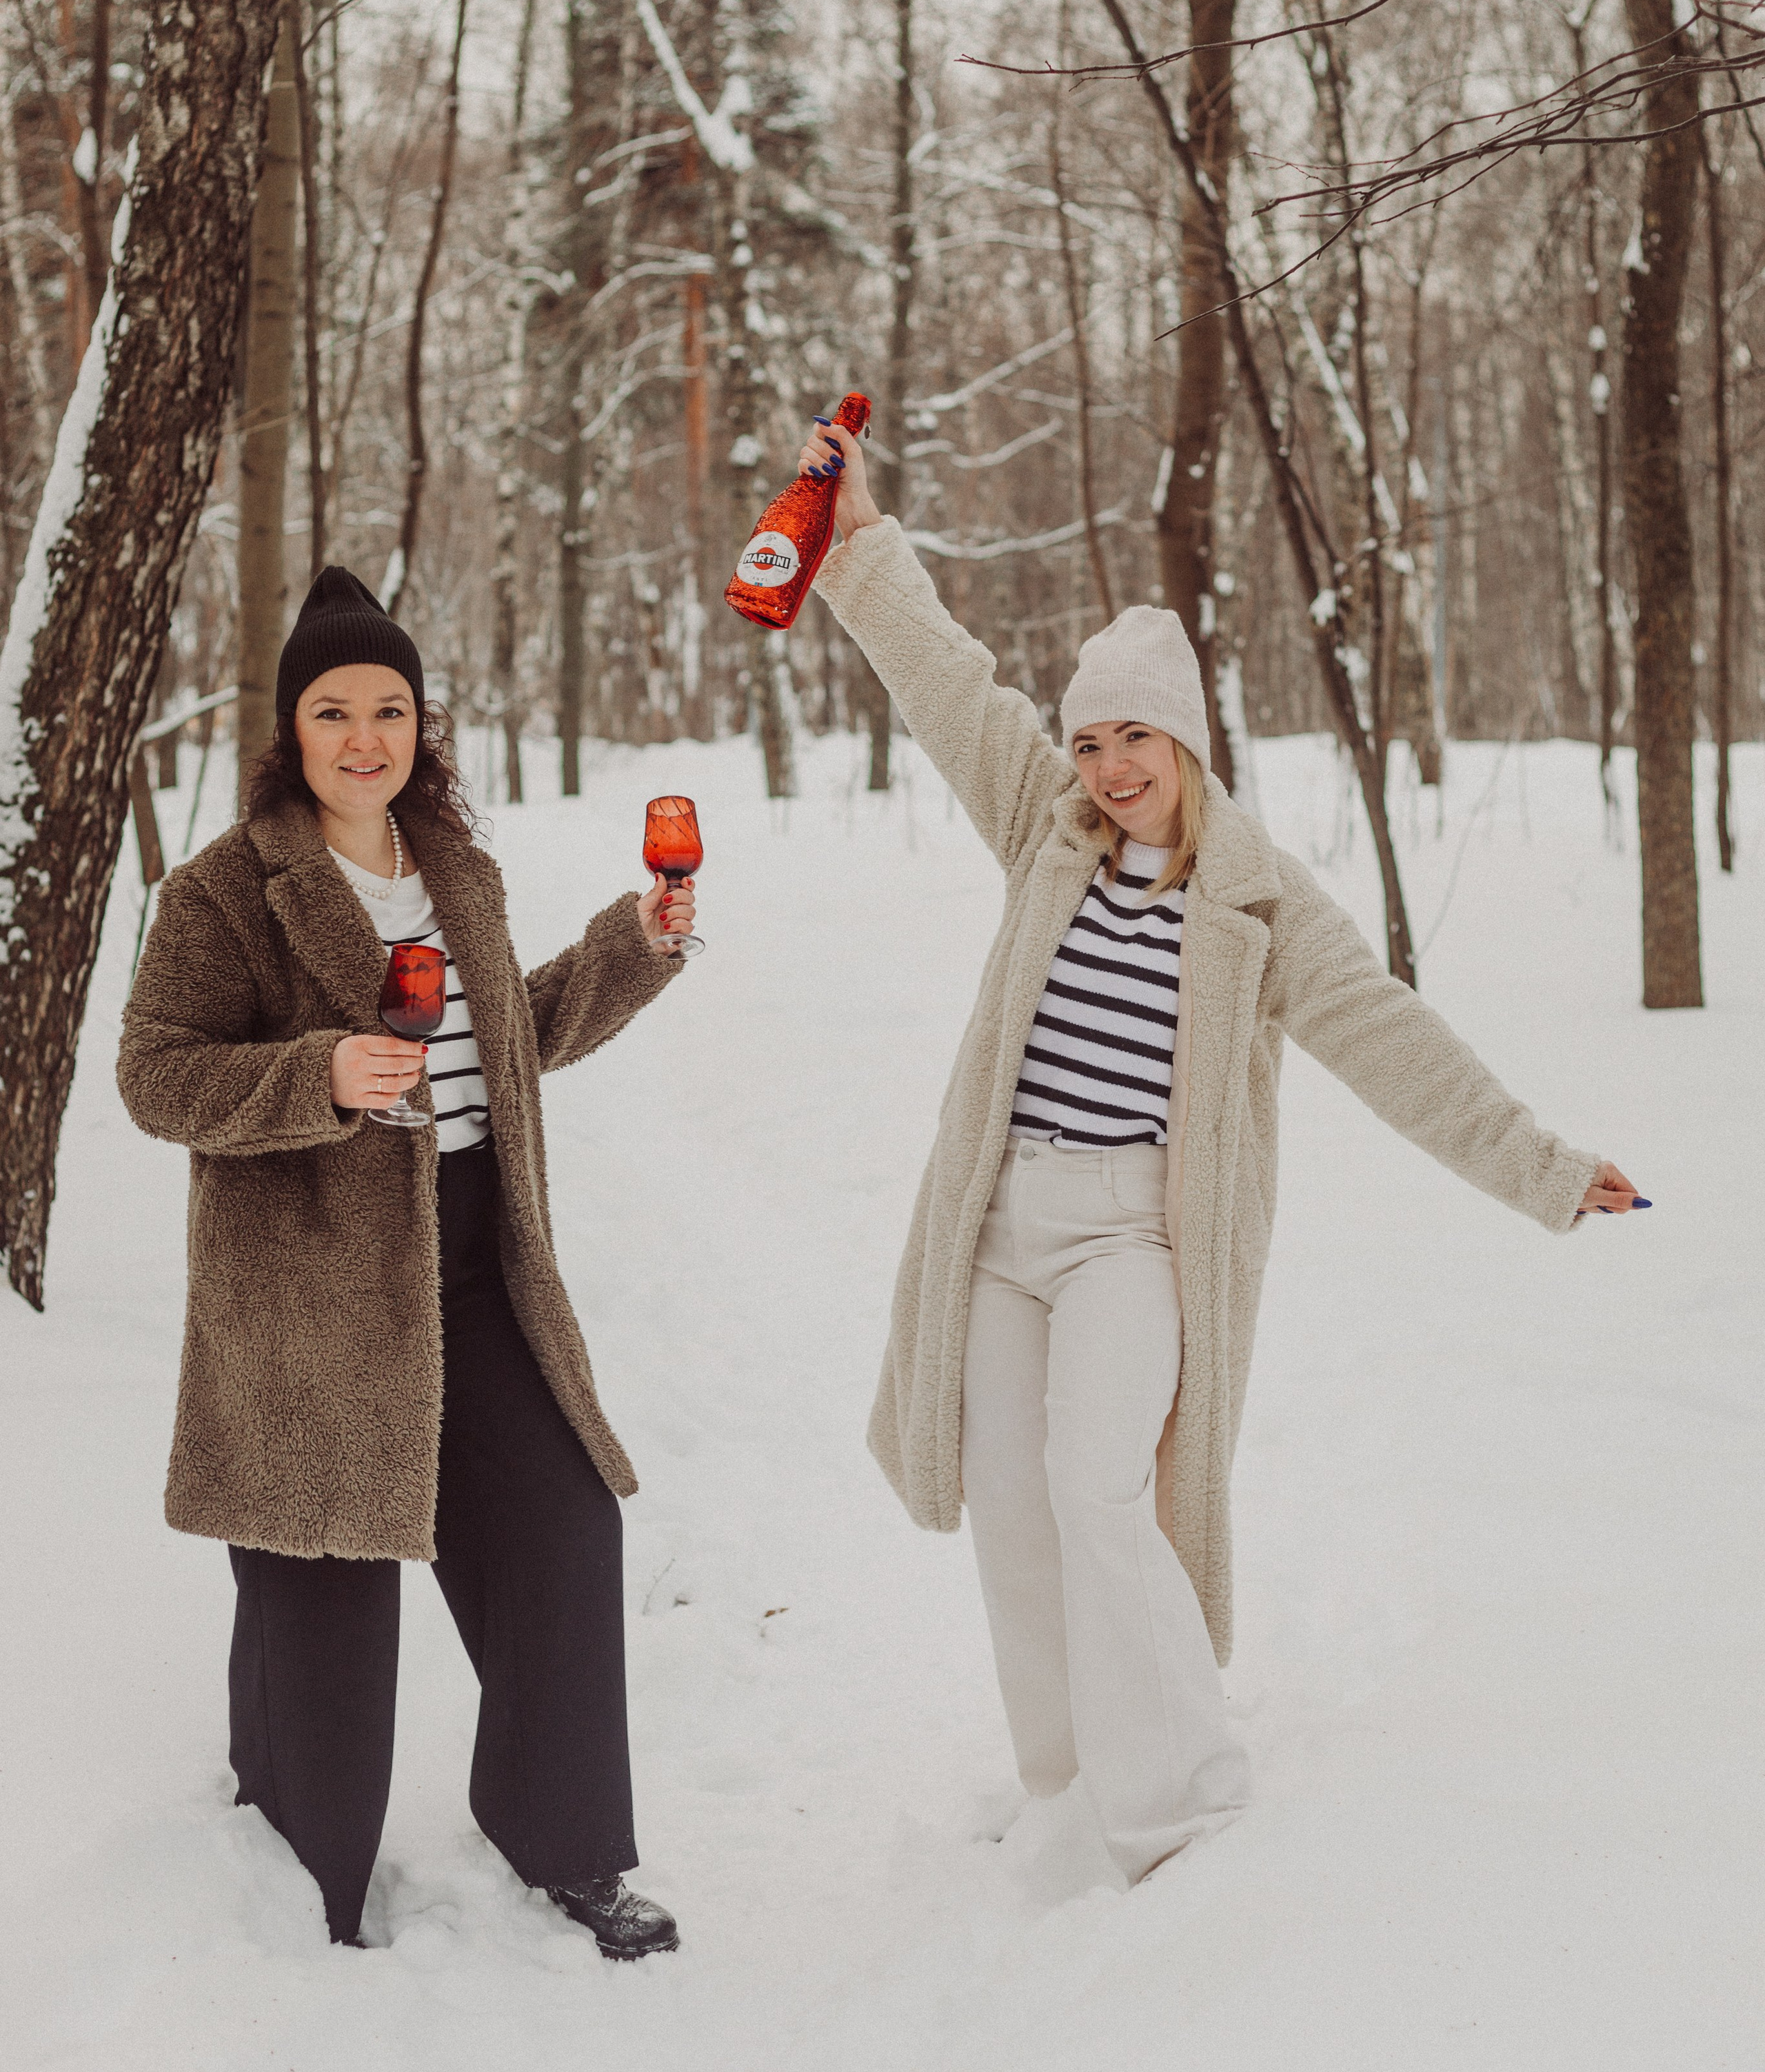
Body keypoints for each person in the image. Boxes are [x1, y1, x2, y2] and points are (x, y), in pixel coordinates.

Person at [797, 413, 1644, 1888]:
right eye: (1090, 738)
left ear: (1187, 743)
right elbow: (944, 678)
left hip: (1134, 1234)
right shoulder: (1038, 823)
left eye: (1137, 736)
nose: (1110, 766)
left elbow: (1390, 1040)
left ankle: (1181, 1792)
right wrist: (858, 536)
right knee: (1006, 1491)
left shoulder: (1259, 910)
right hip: (1000, 1226)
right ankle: (1061, 1777)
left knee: (1094, 1485)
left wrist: (1537, 1162)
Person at [118, 568, 695, 1957]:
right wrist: (316, 1075)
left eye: (389, 706)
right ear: (290, 731)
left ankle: (565, 1846)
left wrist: (634, 947)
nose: (364, 734)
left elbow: (516, 1043)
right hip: (311, 1290)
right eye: (334, 710)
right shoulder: (226, 893)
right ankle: (299, 1873)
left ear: (420, 725)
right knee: (326, 1586)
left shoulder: (456, 872)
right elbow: (153, 1078)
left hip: (477, 1262)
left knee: (563, 1531)